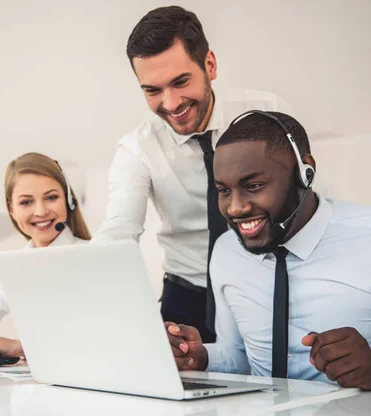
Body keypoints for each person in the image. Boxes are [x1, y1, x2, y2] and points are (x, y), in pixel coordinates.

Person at [165, 111, 371, 396]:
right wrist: (201, 357)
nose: (235, 208)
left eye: (253, 186)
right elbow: (241, 356)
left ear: (305, 172)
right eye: (224, 190)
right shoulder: (226, 250)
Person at [93, 5, 293, 342]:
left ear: (210, 65)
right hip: (187, 298)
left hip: (268, 284)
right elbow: (118, 232)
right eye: (152, 90)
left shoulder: (266, 115)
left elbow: (308, 199)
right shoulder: (136, 149)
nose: (170, 103)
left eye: (180, 82)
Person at [0, 152, 90, 356]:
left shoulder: (91, 257)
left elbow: (94, 341)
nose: (40, 211)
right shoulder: (16, 266)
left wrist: (16, 348)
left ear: (68, 201)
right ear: (12, 210)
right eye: (26, 202)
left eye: (51, 198)